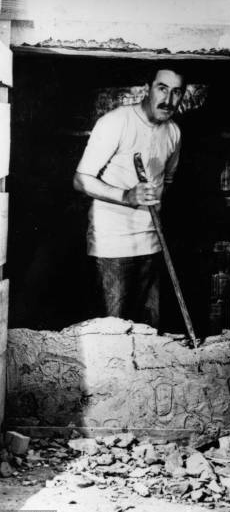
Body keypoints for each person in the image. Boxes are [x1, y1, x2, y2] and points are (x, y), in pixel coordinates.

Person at [73, 67, 185, 329]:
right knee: (111, 334)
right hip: (112, 247)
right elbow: (81, 179)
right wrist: (126, 195)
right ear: (147, 88)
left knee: (149, 333)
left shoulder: (174, 132)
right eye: (162, 88)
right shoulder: (116, 122)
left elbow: (165, 182)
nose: (169, 99)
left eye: (177, 91)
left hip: (152, 244)